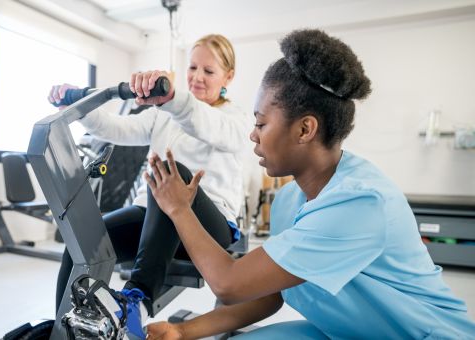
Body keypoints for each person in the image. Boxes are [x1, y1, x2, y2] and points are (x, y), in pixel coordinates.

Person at [144, 29, 475, 339]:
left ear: (305, 130)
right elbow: (267, 296)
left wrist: (179, 208)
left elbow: (228, 284)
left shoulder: (360, 203)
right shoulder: (290, 199)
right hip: (344, 330)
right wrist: (183, 332)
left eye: (261, 123)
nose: (253, 135)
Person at [48, 34, 251, 338]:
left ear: (228, 77)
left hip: (209, 226)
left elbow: (203, 123)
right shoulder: (165, 114)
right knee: (82, 245)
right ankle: (64, 330)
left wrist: (172, 100)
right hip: (152, 215)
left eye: (208, 72)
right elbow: (116, 128)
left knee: (170, 174)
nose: (196, 77)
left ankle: (136, 300)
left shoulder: (234, 119)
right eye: (193, 67)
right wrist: (77, 105)